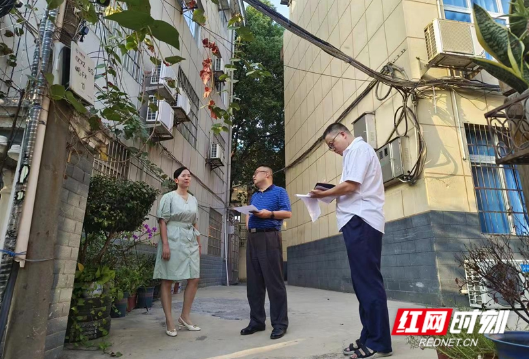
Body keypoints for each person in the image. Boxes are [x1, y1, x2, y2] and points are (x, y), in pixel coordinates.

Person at [310, 123, 393, 359]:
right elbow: (350, 186)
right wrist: (328, 192)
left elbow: (351, 185)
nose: (332, 149)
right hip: (356, 221)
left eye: (331, 144)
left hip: (362, 220)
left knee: (368, 282)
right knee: (362, 285)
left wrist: (322, 194)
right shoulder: (352, 153)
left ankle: (379, 342)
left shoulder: (358, 149)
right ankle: (368, 335)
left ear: (343, 134)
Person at [242, 166, 292, 340]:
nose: (253, 175)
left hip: (269, 237)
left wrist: (270, 214)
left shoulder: (279, 192)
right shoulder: (255, 195)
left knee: (274, 283)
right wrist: (248, 222)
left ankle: (279, 324)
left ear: (267, 174)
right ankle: (257, 321)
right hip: (253, 238)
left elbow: (287, 213)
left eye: (256, 173)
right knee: (254, 284)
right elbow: (249, 212)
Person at [154, 166, 202, 337]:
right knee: (168, 279)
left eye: (189, 175)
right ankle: (169, 320)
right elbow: (162, 221)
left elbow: (195, 221)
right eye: (184, 175)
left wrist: (199, 242)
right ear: (176, 180)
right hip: (173, 238)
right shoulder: (168, 197)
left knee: (194, 277)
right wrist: (165, 244)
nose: (187, 178)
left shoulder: (194, 199)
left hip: (190, 240)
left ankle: (185, 316)